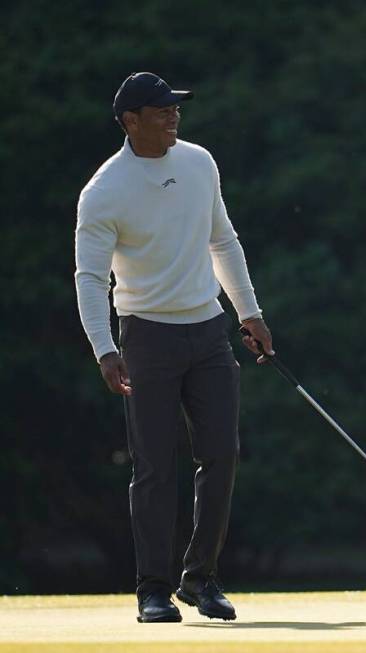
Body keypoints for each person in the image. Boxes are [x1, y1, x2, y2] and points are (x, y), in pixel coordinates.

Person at [74, 72, 273, 623]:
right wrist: (103, 348)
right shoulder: (105, 190)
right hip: (146, 337)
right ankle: (153, 590)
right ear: (129, 122)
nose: (173, 117)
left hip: (208, 328)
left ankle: (201, 579)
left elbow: (222, 239)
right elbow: (91, 278)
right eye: (160, 111)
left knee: (221, 454)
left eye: (174, 108)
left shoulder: (199, 162)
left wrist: (248, 312)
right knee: (156, 466)